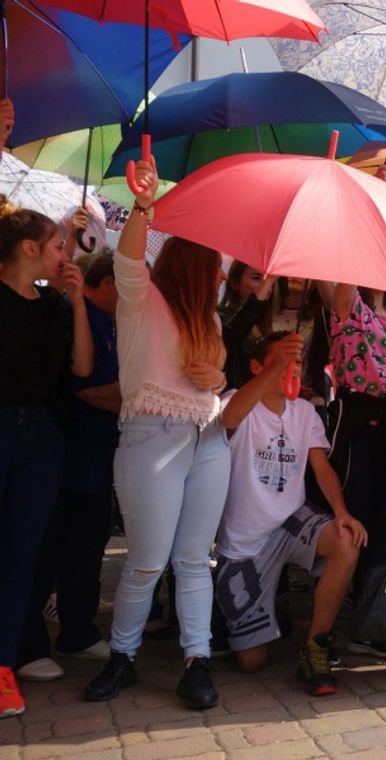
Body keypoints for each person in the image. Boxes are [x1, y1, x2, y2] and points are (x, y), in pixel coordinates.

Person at [85, 158, 230, 711]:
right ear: (197, 263)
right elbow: (125, 258)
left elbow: (212, 378)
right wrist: (143, 205)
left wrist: (217, 379)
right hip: (151, 436)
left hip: (207, 438)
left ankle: (198, 661)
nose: (222, 275)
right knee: (147, 559)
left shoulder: (208, 318)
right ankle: (122, 657)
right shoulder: (141, 298)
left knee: (194, 558)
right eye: (215, 265)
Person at [214, 331, 367, 696]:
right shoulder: (238, 401)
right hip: (244, 540)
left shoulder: (305, 412)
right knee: (251, 662)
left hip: (289, 522)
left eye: (296, 362)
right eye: (283, 360)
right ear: (256, 367)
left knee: (347, 540)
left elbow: (321, 467)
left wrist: (342, 512)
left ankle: (316, 646)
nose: (292, 369)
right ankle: (251, 615)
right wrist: (275, 367)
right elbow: (228, 418)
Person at [0, 195, 93, 719]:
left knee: (21, 556)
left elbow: (82, 368)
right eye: (59, 245)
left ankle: (4, 666)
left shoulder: (56, 305)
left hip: (40, 436)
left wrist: (78, 302)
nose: (67, 255)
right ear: (30, 248)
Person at [19, 254, 118, 683]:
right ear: (110, 281)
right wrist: (147, 402)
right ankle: (27, 644)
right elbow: (89, 386)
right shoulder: (72, 313)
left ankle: (77, 631)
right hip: (67, 453)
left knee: (87, 548)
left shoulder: (114, 321)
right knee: (48, 552)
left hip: (98, 456)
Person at [324, 283, 386, 662]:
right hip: (356, 421)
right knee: (353, 520)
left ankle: (371, 622)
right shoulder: (349, 302)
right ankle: (327, 626)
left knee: (385, 526)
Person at [219, 262, 278, 390]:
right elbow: (235, 332)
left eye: (269, 282)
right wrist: (268, 281)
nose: (266, 286)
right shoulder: (220, 316)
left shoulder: (264, 325)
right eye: (257, 278)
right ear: (235, 283)